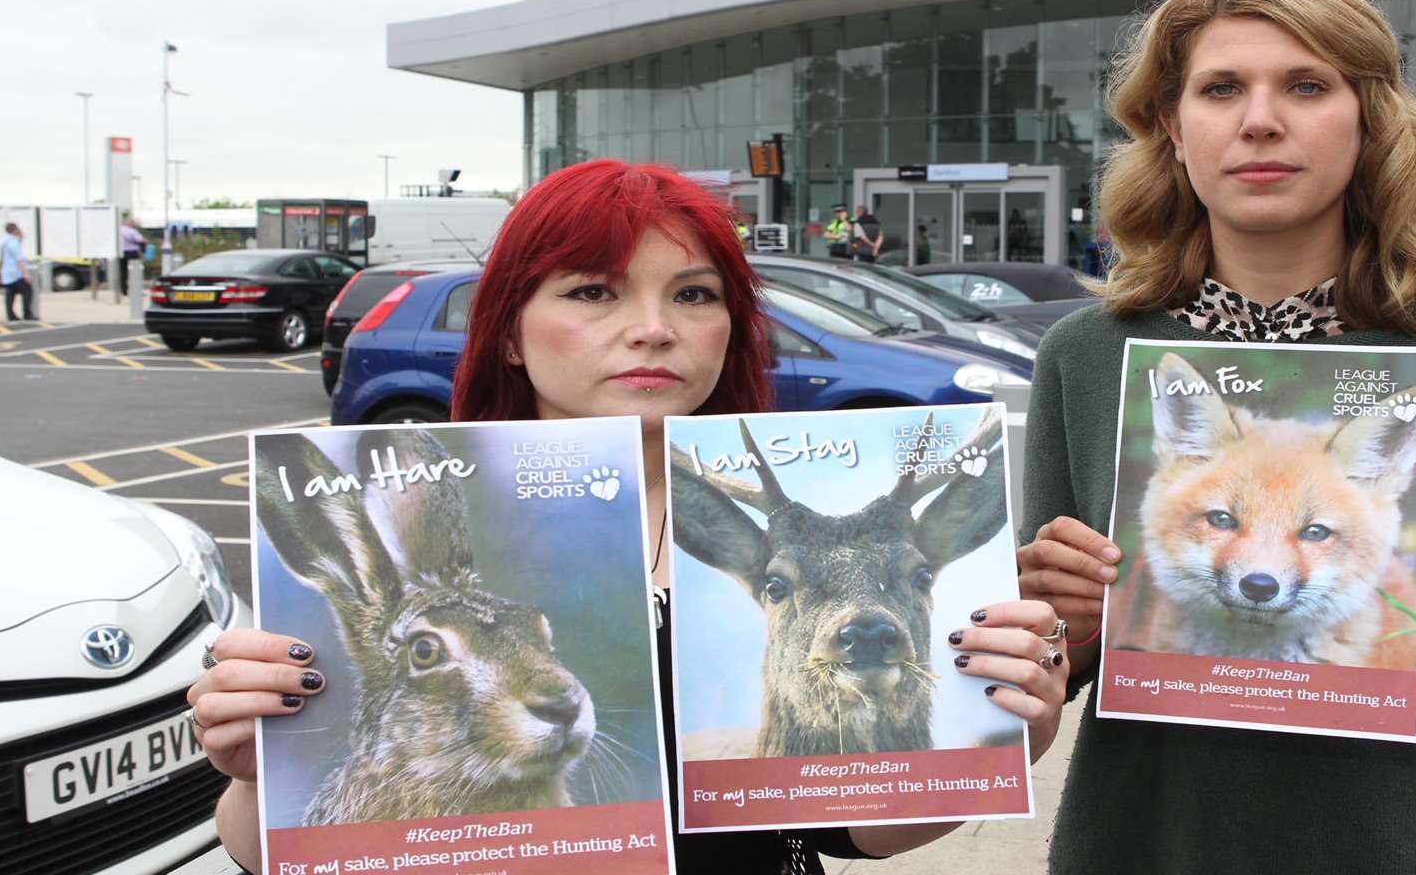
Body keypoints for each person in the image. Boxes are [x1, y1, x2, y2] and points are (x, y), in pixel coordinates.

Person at [188, 160, 1069, 875]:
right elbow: (284, 848)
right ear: (508, 330)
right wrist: (254, 773)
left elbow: (852, 834)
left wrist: (1012, 732)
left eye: (693, 295)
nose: (653, 329)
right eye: (592, 292)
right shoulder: (422, 556)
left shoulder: (761, 539)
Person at [1015, 0, 1416, 874]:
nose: (1259, 120)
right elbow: (1050, 652)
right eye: (1220, 89)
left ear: (1368, 119)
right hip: (1154, 839)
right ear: (1172, 126)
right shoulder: (1088, 356)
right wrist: (1062, 624)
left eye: (1306, 85)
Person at [0, 221, 34, 321]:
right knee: (27, 291)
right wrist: (26, 274)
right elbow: (19, 259)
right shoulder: (13, 243)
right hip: (16, 273)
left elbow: (1, 258)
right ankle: (27, 313)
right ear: (15, 229)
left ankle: (10, 315)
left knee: (10, 293)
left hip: (6, 273)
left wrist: (0, 271)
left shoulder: (3, 242)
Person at [118, 216, 146, 295]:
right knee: (135, 272)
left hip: (121, 253)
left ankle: (124, 290)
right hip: (132, 253)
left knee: (123, 272)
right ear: (130, 223)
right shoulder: (133, 231)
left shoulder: (120, 230)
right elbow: (140, 240)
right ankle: (136, 290)